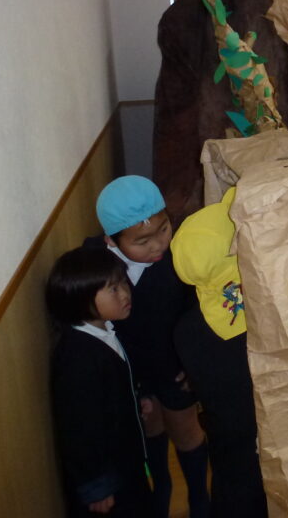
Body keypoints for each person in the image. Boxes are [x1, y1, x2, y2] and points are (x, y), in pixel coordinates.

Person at [93, 176, 210, 518]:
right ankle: (161, 487)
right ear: (111, 241)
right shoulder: (102, 268)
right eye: (142, 241)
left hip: (174, 363)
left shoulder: (179, 259)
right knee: (150, 428)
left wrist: (195, 363)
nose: (158, 245)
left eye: (164, 229)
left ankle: (199, 497)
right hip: (132, 368)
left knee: (186, 430)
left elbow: (199, 314)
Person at [171, 187, 268, 518]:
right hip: (263, 433)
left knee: (230, 482)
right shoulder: (262, 311)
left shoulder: (187, 330)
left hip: (225, 436)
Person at [47, 247, 153, 517]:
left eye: (123, 284)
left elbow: (111, 390)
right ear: (80, 298)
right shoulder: (78, 357)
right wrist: (97, 487)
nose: (125, 293)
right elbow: (79, 428)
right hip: (108, 483)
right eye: (113, 290)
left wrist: (135, 398)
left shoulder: (104, 331)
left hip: (126, 465)